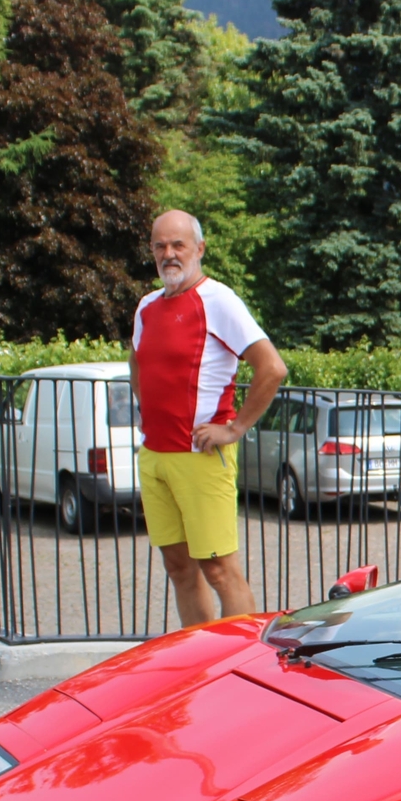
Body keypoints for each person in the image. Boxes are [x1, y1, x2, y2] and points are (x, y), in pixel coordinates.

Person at [132, 211, 287, 627]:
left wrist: (234, 428)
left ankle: (243, 668)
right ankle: (200, 666)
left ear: (199, 248)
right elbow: (138, 365)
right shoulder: (146, 306)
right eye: (160, 246)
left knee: (219, 569)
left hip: (200, 456)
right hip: (155, 456)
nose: (169, 254)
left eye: (178, 245)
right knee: (179, 568)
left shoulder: (218, 301)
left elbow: (271, 368)